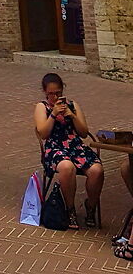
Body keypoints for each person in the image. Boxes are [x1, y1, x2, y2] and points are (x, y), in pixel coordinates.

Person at [35, 71, 104, 229]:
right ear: (45, 92)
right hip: (55, 147)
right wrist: (53, 114)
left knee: (97, 170)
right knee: (67, 167)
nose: (54, 97)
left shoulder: (73, 105)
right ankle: (70, 209)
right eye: (50, 94)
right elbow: (43, 133)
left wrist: (72, 115)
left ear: (62, 91)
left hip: (75, 146)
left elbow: (83, 132)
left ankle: (91, 206)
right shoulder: (42, 107)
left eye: (57, 93)